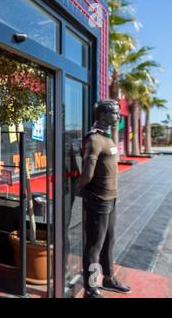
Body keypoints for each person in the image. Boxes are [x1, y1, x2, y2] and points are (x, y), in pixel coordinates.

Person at [77, 99, 131, 298]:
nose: (117, 116)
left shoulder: (108, 138)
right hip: (98, 199)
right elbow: (87, 173)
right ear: (102, 115)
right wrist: (79, 188)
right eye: (114, 113)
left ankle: (109, 279)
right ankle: (90, 289)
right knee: (94, 245)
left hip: (112, 198)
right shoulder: (93, 139)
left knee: (109, 240)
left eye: (118, 113)